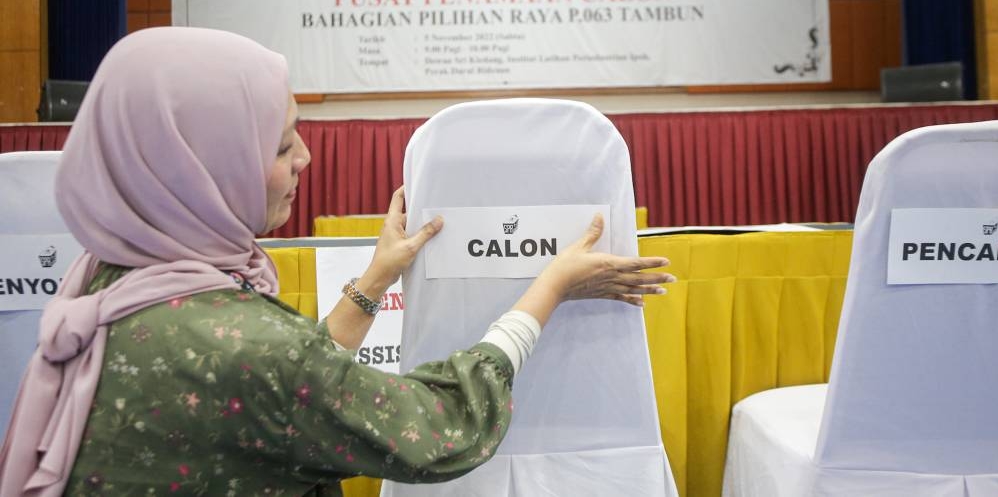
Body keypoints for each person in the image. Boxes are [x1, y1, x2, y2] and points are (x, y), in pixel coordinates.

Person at [0, 27, 674, 496]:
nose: (305, 160)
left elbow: (268, 398)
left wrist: (375, 279)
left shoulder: (106, 280)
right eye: (280, 144)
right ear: (197, 163)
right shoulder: (242, 345)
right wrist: (548, 285)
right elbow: (440, 431)